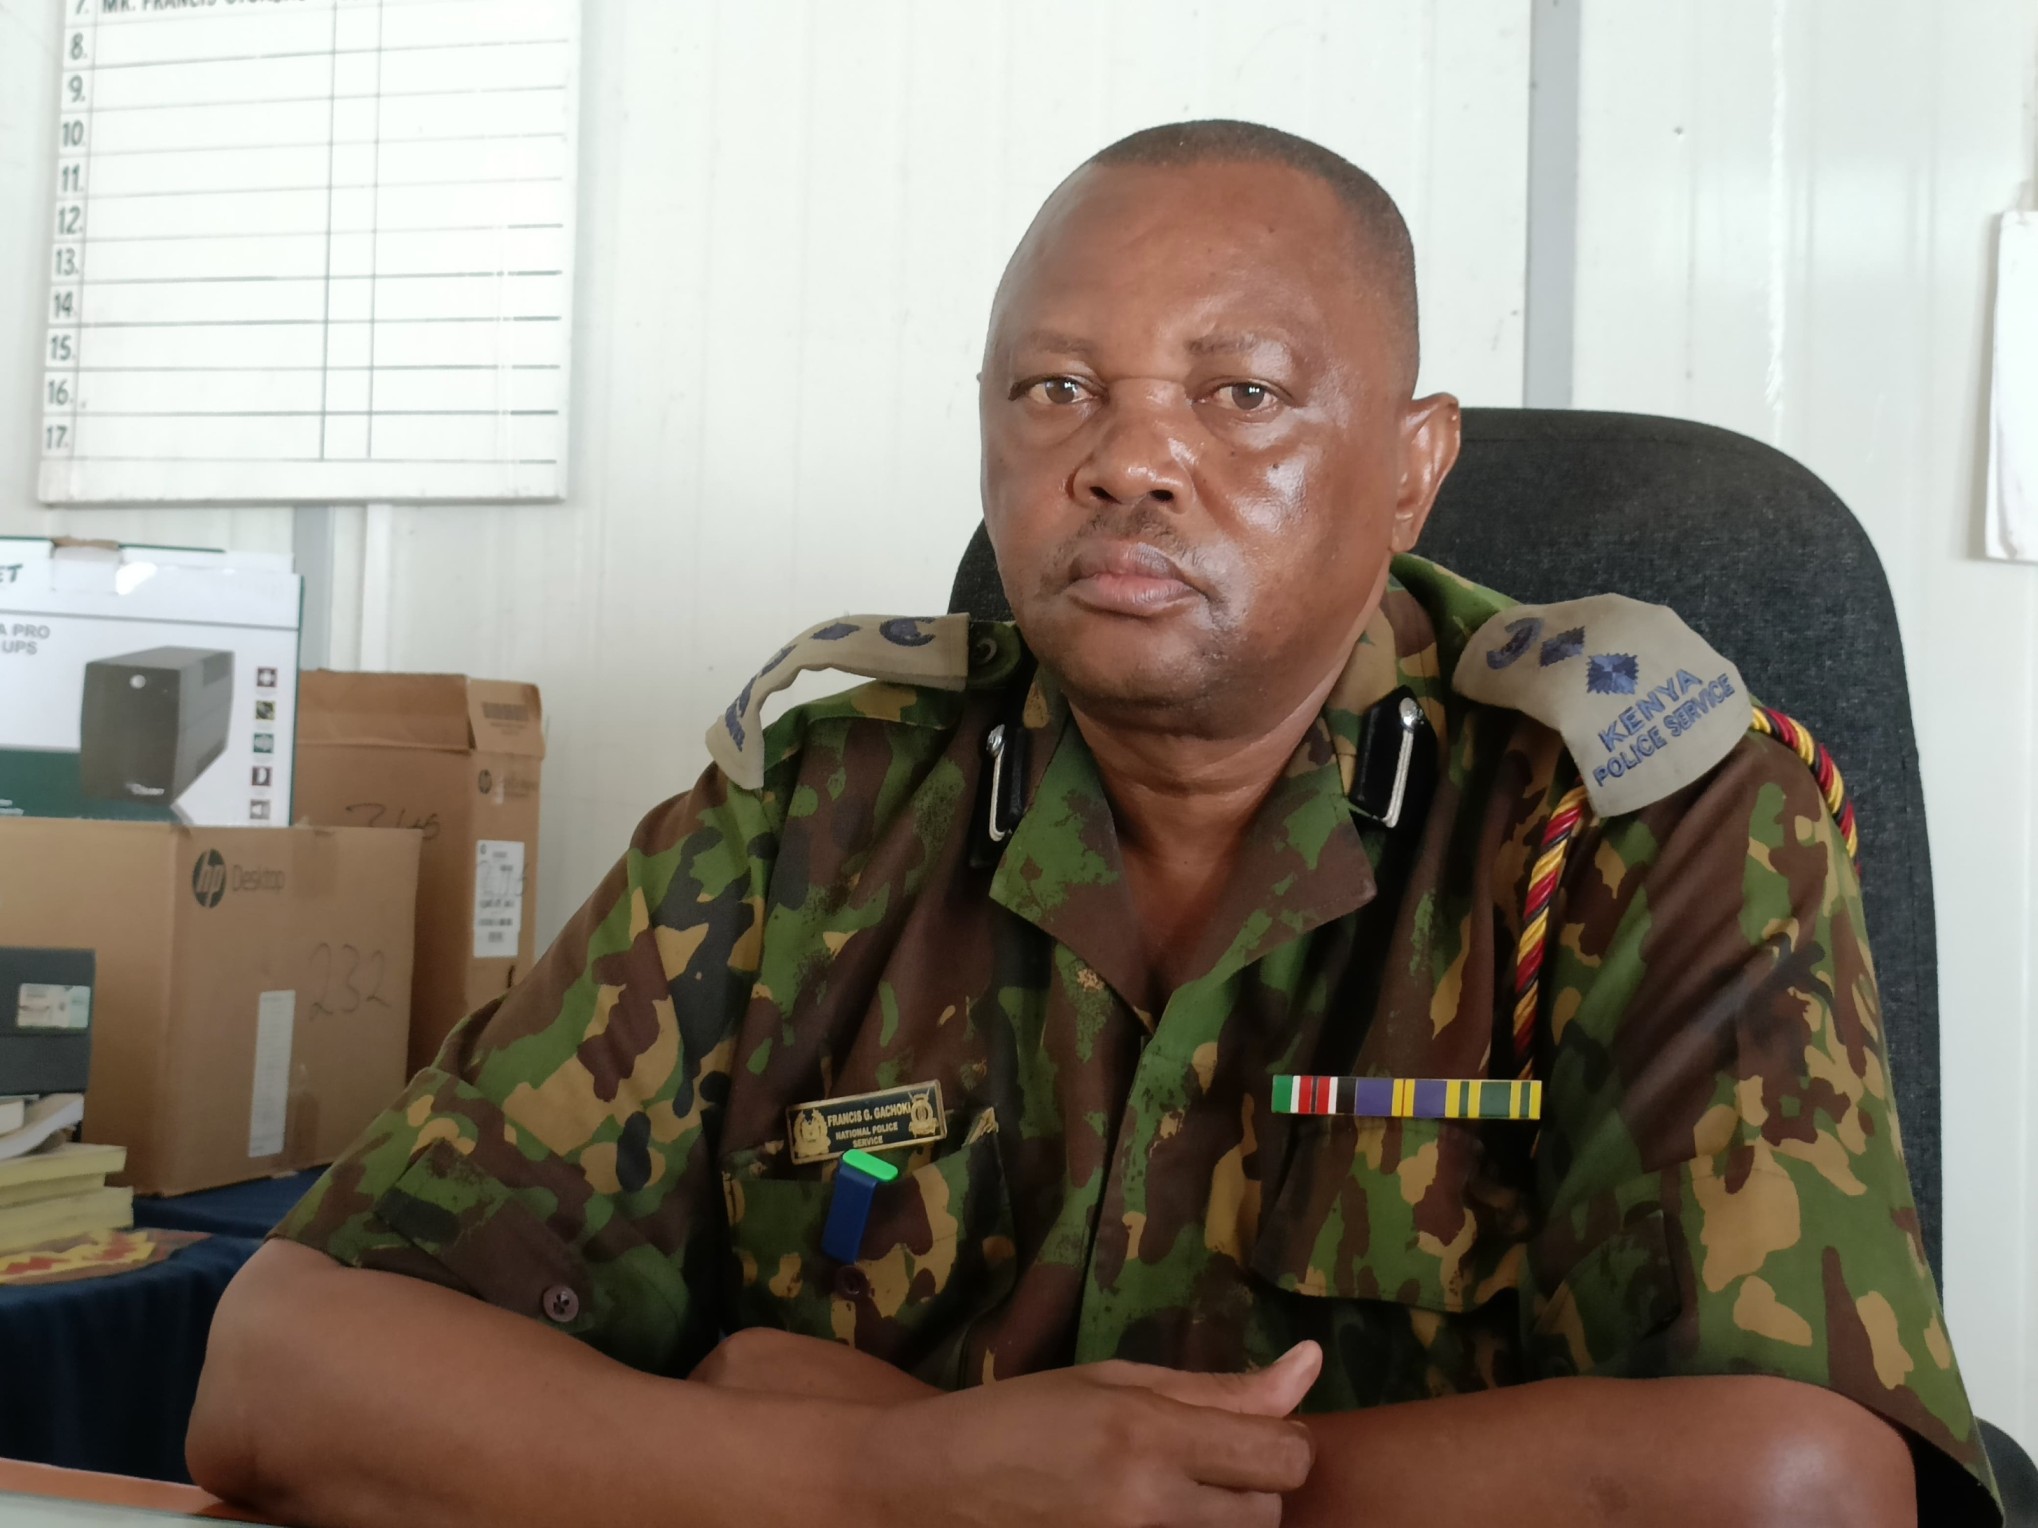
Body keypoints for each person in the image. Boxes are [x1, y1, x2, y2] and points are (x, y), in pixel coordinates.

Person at [187, 120, 2001, 1528]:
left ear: (1410, 464)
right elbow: (289, 1369)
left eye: (1244, 395)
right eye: (1059, 389)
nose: (1128, 459)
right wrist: (886, 1492)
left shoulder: (1627, 821)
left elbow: (1797, 1485)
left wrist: (1046, 1483)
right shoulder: (813, 815)